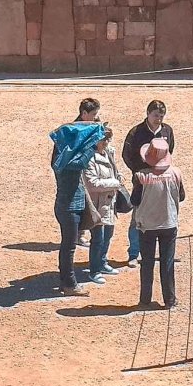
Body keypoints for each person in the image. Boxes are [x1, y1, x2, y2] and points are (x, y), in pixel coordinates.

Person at [48, 119, 108, 297]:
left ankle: (67, 281)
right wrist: (93, 146)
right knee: (69, 246)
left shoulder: (61, 155)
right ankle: (69, 283)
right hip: (69, 208)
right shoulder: (67, 161)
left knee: (69, 245)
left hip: (70, 206)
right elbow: (80, 163)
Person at [129, 138, 184, 308]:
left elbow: (134, 200)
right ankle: (170, 300)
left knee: (147, 263)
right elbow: (181, 197)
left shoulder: (141, 176)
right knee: (167, 262)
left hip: (147, 226)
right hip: (169, 223)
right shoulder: (176, 173)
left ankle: (145, 300)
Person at [121, 99, 174, 267]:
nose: (159, 119)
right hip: (142, 180)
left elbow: (170, 150)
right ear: (148, 114)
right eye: (156, 115)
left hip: (161, 179)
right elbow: (127, 154)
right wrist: (138, 171)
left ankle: (158, 252)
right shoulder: (136, 132)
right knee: (138, 216)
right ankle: (134, 253)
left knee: (162, 214)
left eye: (161, 116)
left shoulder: (167, 130)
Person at [52, 97, 100, 247]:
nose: (96, 117)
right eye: (93, 114)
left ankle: (81, 233)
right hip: (77, 172)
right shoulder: (74, 131)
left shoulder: (89, 126)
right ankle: (80, 234)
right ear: (84, 113)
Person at [80, 124, 124, 285]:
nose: (106, 142)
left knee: (108, 236)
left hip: (109, 203)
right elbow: (92, 183)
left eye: (108, 139)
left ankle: (103, 262)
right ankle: (94, 270)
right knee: (98, 239)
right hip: (97, 205)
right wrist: (115, 183)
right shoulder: (89, 158)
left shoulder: (108, 154)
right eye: (103, 139)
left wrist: (119, 177)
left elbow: (115, 172)